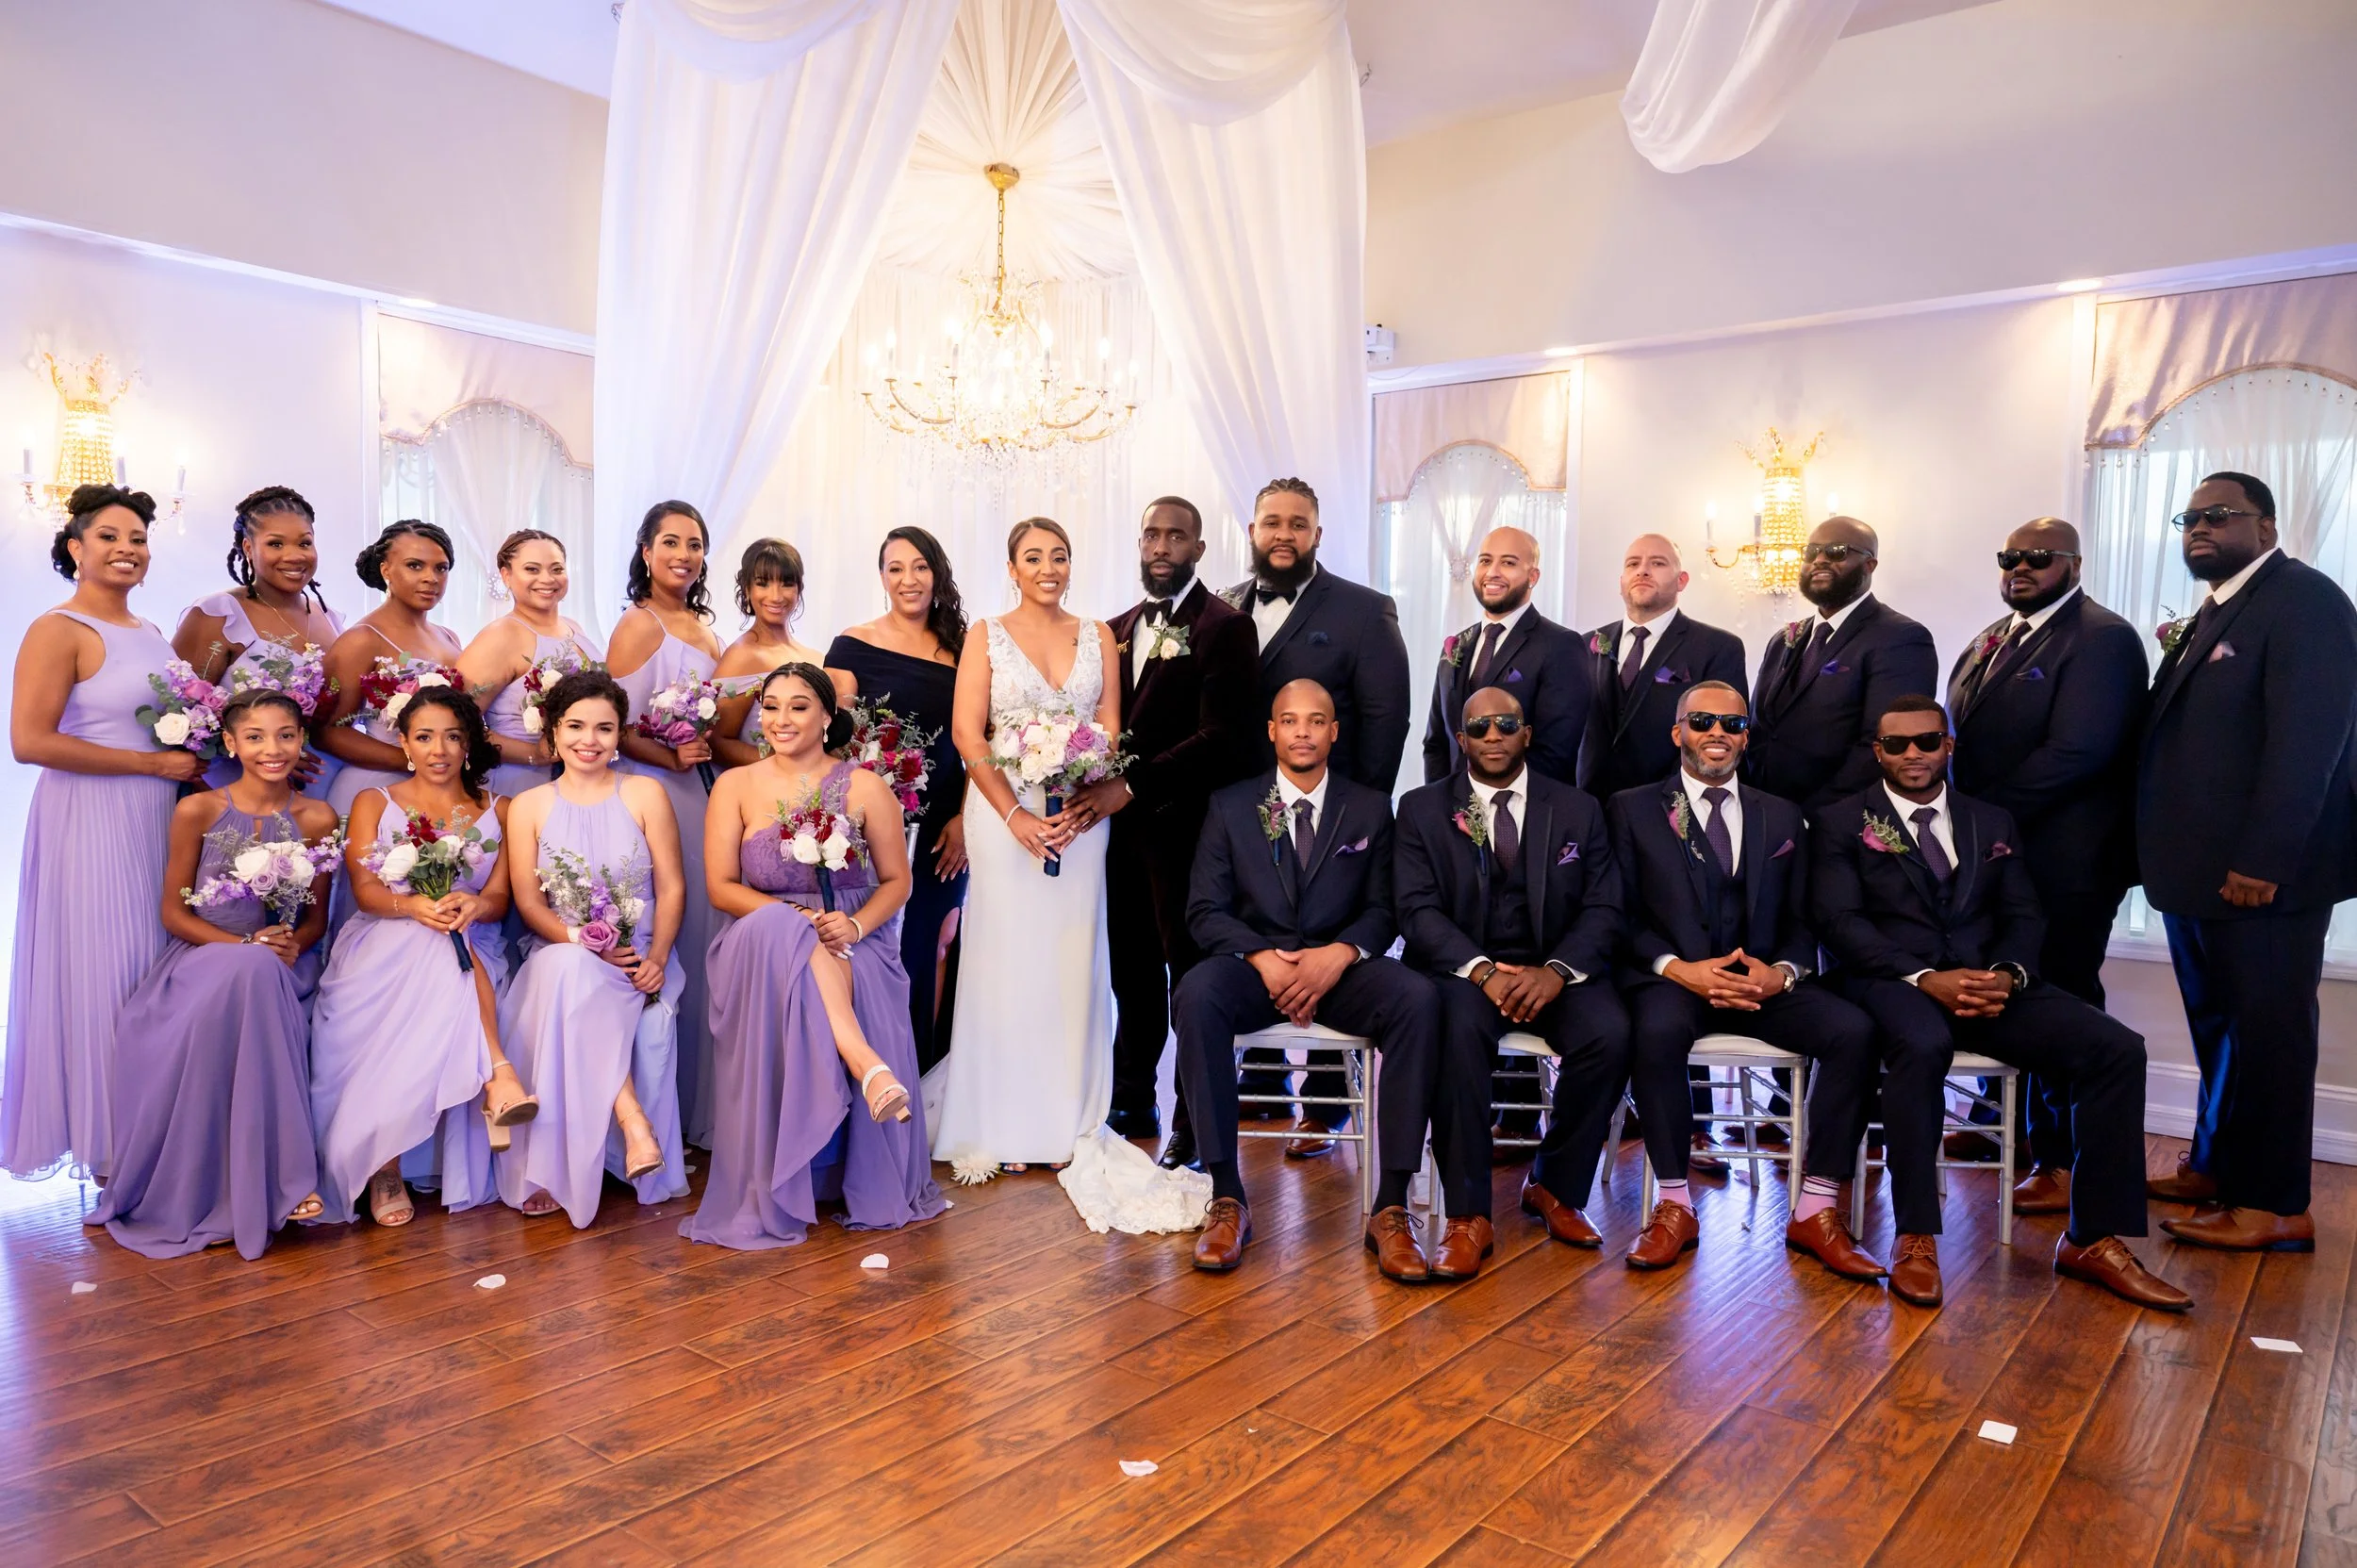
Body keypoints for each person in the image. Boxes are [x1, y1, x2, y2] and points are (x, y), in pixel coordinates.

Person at [1809, 695, 2192, 1312]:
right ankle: (1915, 1235)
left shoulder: (1993, 821)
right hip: (1890, 983)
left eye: (1927, 740)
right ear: (1878, 751)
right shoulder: (1839, 822)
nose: (1914, 753)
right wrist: (1924, 975)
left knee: (2116, 1048)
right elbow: (1840, 923)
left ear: (1949, 745)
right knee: (1920, 1045)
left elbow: (2022, 912)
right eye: (1898, 744)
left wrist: (2006, 975)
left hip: (1988, 983)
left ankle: (2093, 1238)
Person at [2139, 472, 2357, 1250]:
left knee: (2269, 1032)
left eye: (2218, 515)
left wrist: (2264, 859)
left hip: (2262, 877)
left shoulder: (2306, 601)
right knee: (2222, 1027)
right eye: (2189, 517)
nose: (2199, 527)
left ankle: (2274, 1203)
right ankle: (2215, 1165)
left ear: (2266, 525)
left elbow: (2310, 744)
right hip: (2198, 876)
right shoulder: (2219, 607)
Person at [1606, 681, 1882, 1278]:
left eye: (1731, 725)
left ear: (1745, 736)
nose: (1717, 735)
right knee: (1653, 1033)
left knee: (1854, 1032)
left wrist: (1780, 974)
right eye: (1702, 722)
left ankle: (1816, 1207)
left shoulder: (1781, 814)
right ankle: (1674, 1205)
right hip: (1674, 982)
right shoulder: (1630, 808)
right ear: (1677, 731)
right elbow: (1616, 915)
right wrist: (1678, 969)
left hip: (1761, 984)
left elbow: (1807, 915)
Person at [1176, 679, 1442, 1279]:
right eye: (1290, 721)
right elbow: (1204, 910)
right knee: (1196, 993)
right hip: (1255, 970)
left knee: (1419, 999)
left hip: (1340, 972)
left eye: (1316, 721)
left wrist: (1342, 952)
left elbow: (1385, 907)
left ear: (1333, 732)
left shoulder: (1371, 806)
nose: (1302, 731)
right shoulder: (1230, 805)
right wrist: (1261, 957)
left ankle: (1391, 1206)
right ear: (1271, 730)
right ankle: (1225, 1195)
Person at [685, 664, 945, 1247]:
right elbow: (721, 887)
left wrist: (853, 925)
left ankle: (841, 1151)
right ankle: (865, 1063)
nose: (780, 719)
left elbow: (897, 881)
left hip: (854, 935)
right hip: (758, 935)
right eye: (770, 706)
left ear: (828, 716)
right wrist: (796, 918)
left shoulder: (865, 786)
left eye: (798, 706)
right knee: (791, 932)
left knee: (829, 959)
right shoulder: (734, 785)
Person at [1944, 518, 2146, 1214]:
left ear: (2075, 562)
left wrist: (1978, 819)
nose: (2020, 568)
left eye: (2038, 557)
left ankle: (2061, 1159)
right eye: (2010, 557)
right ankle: (2011, 1132)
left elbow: (2079, 752)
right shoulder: (1990, 639)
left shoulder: (2103, 638)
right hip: (2005, 860)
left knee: (2062, 998)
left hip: (2070, 859)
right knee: (2011, 986)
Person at [3, 486, 205, 1180]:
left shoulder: (149, 632)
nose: (128, 549)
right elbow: (29, 741)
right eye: (111, 536)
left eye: (139, 539)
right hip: (87, 818)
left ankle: (150, 1131)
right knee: (104, 970)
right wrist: (149, 762)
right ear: (75, 547)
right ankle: (108, 1146)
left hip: (157, 816)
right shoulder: (57, 629)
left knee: (153, 967)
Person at [91, 690, 335, 1257]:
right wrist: (246, 944)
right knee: (251, 970)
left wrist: (291, 945)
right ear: (230, 743)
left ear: (301, 740)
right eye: (254, 737)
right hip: (204, 960)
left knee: (260, 975)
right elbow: (174, 914)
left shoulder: (317, 817)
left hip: (281, 967)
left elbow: (317, 918)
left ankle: (279, 1182)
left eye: (285, 735)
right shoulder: (197, 809)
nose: (272, 749)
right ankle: (290, 1181)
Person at [1394, 686, 1625, 1280]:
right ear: (1461, 739)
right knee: (1455, 1034)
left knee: (1610, 1032)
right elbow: (1416, 911)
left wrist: (1556, 972)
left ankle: (1554, 1185)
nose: (1493, 736)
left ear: (1527, 733)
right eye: (1479, 727)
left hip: (1555, 971)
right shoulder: (1421, 809)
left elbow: (1604, 907)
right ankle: (1469, 1214)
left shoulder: (1578, 809)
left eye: (1506, 724)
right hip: (1465, 974)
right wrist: (1482, 971)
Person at [1221, 478, 1413, 1152]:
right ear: (1251, 530)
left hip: (1332, 809)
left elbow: (1389, 719)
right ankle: (1264, 1086)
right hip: (1242, 811)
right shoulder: (1223, 605)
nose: (1283, 534)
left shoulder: (1365, 610)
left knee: (1327, 938)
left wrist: (1355, 817)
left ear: (1317, 535)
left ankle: (1329, 1106)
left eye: (1297, 524)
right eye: (1271, 521)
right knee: (1259, 932)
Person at [929, 519, 1120, 1174]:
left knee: (1071, 956)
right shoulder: (984, 634)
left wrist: (1089, 779)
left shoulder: (1100, 636)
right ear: (1011, 567)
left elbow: (1111, 724)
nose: (1048, 566)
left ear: (1073, 563)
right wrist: (1012, 814)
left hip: (1081, 822)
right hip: (1004, 816)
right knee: (1006, 955)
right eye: (1033, 556)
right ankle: (1002, 1117)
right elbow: (965, 731)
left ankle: (1070, 1115)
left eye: (1059, 555)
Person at [308, 687, 531, 1226]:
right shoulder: (373, 802)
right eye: (425, 737)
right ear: (405, 742)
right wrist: (412, 905)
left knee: (446, 947)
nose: (439, 750)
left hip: (472, 940)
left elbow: (502, 901)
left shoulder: (502, 810)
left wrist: (474, 902)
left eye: (453, 737)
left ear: (470, 744)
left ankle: (488, 1086)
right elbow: (365, 892)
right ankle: (392, 1157)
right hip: (384, 939)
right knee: (430, 945)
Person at [1088, 496, 1258, 1160]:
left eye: (1176, 536)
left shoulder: (1225, 626)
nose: (1161, 546)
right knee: (1129, 969)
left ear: (1199, 548)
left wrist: (1130, 785)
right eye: (1151, 534)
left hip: (1190, 835)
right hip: (1119, 837)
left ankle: (1194, 1113)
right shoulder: (1114, 628)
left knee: (1189, 976)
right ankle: (1132, 1093)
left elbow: (1226, 738)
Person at [494, 669, 688, 1226]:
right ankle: (632, 1122)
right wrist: (582, 941)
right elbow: (530, 906)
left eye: (605, 728)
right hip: (560, 952)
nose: (590, 739)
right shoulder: (528, 805)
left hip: (639, 958)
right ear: (553, 733)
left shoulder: (645, 793)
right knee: (567, 970)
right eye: (575, 726)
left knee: (574, 978)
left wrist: (655, 959)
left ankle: (580, 1156)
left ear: (620, 734)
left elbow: (672, 887)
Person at [1581, 533, 1750, 1164]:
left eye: (1657, 563)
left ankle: (1695, 1123)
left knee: (1688, 947)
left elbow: (1719, 737)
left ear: (1681, 580)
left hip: (1677, 815)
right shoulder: (1590, 643)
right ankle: (1617, 1109)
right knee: (1611, 955)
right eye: (1632, 562)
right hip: (1597, 820)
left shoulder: (1714, 645)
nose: (1642, 571)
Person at [827, 527, 969, 1076]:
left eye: (919, 567)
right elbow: (835, 727)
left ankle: (925, 1073)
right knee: (874, 946)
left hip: (944, 822)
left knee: (937, 941)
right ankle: (873, 1074)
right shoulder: (852, 642)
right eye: (895, 568)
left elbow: (980, 739)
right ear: (882, 576)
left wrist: (964, 820)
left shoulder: (963, 648)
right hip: (867, 822)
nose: (908, 580)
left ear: (937, 573)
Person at [609, 500, 724, 1147]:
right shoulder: (639, 622)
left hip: (704, 791)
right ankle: (665, 1108)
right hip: (662, 792)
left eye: (696, 544)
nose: (684, 554)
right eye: (671, 542)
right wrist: (671, 753)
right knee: (677, 933)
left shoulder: (705, 627)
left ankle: (702, 1106)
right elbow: (612, 726)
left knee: (709, 937)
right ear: (647, 551)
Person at [1745, 517, 1939, 811]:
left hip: (1841, 817)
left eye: (1836, 552)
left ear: (1869, 565)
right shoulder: (1784, 639)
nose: (1820, 560)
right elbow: (1761, 726)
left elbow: (1883, 743)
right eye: (1811, 553)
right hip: (1768, 813)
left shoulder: (1899, 637)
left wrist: (1819, 814)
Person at [173, 486, 345, 796]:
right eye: (276, 543)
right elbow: (179, 719)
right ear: (248, 548)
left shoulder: (330, 620)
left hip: (324, 789)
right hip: (233, 791)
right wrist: (269, 756)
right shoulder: (218, 615)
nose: (294, 556)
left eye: (304, 543)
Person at [319, 520, 468, 826]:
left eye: (441, 568)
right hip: (377, 785)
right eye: (415, 566)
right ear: (386, 570)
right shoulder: (361, 639)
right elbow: (328, 732)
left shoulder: (450, 637)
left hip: (439, 787)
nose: (431, 578)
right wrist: (416, 760)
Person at [1420, 526, 1587, 786]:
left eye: (1508, 562)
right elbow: (1437, 741)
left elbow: (1556, 752)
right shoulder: (1456, 645)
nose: (1493, 572)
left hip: (1523, 812)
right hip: (1453, 813)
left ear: (1533, 576)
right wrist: (1442, 804)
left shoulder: (1560, 645)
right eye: (1485, 561)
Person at [457, 529, 604, 802]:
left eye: (556, 568)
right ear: (506, 575)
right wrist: (534, 754)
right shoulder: (500, 636)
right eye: (532, 569)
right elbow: (455, 722)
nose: (547, 579)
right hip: (523, 782)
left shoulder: (574, 627)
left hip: (582, 778)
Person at [713, 538, 828, 769]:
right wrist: (786, 766)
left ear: (799, 589)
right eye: (763, 584)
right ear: (747, 589)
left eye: (786, 583)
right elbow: (717, 743)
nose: (776, 596)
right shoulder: (742, 656)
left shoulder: (817, 658)